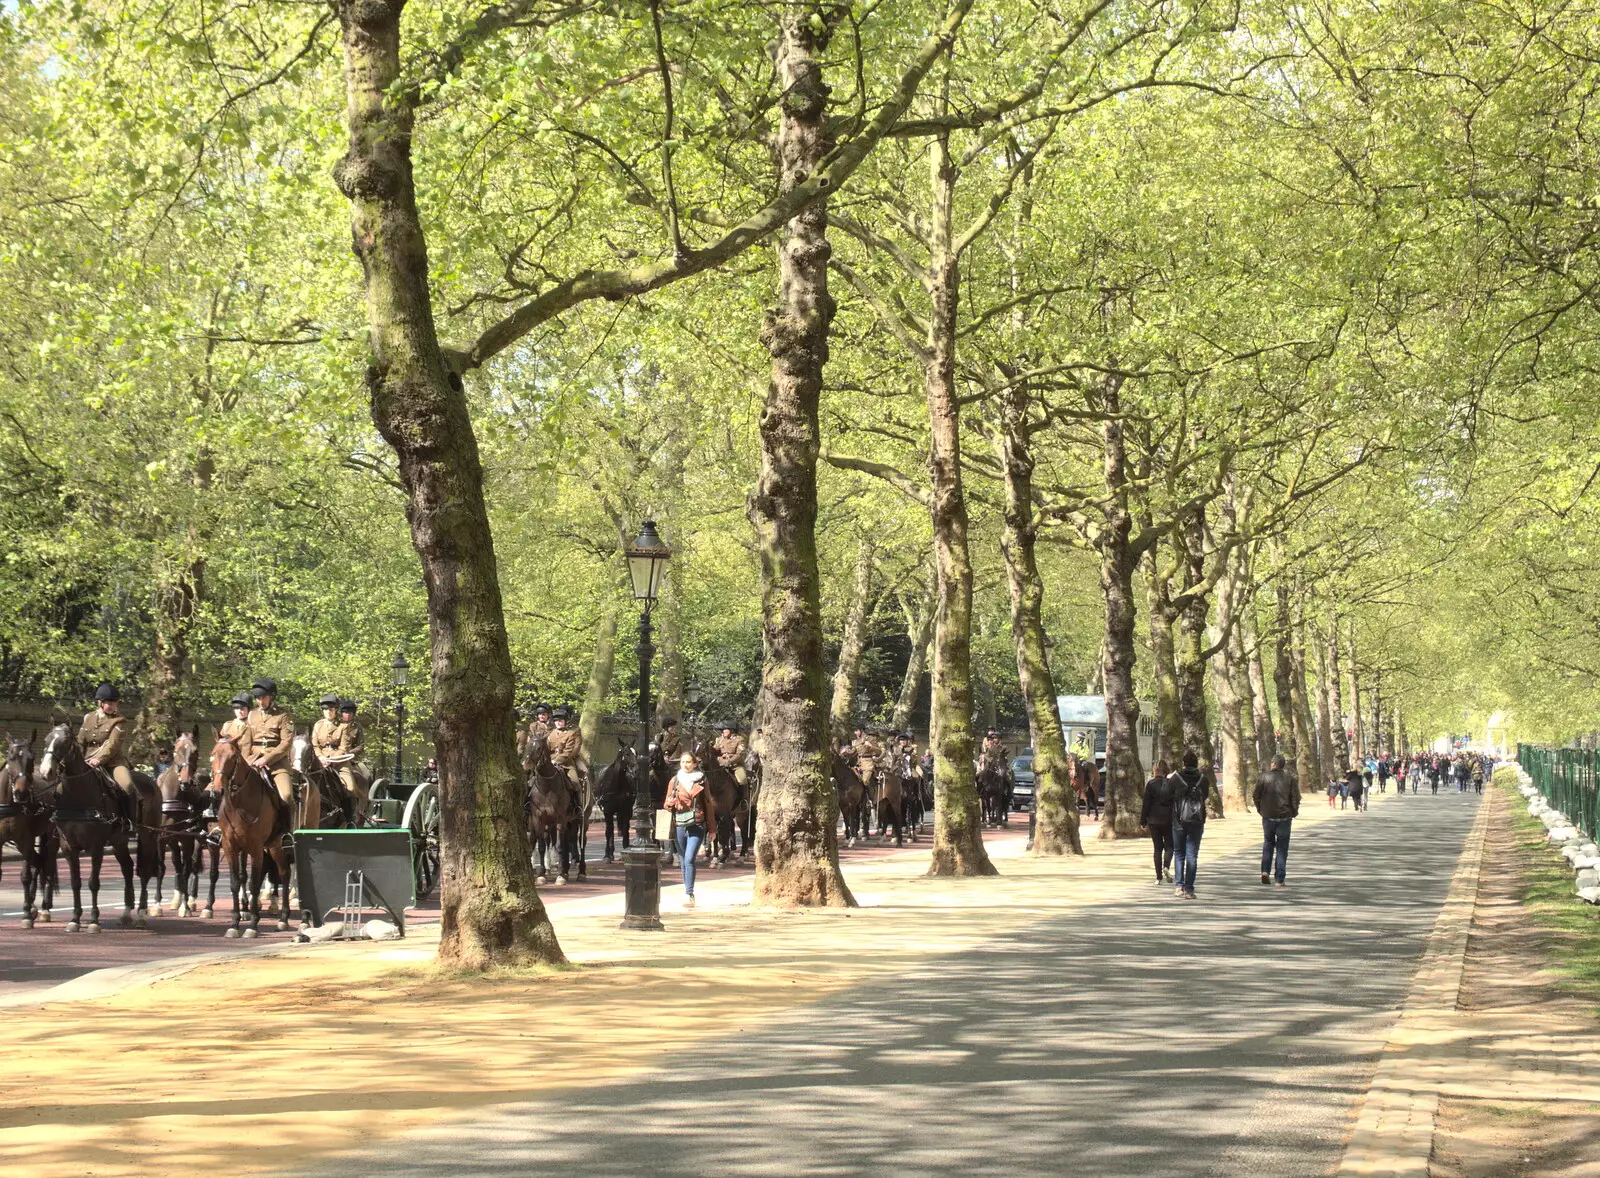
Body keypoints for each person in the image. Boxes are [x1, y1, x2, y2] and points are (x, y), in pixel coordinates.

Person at [245, 677, 302, 824]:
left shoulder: (284, 716)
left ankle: (287, 831)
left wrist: (267, 759)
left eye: (263, 698)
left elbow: (286, 743)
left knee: (287, 795)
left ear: (271, 697)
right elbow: (247, 741)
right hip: (253, 760)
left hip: (277, 763)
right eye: (257, 698)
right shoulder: (252, 714)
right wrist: (246, 759)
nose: (260, 701)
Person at [663, 750, 712, 909]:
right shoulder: (674, 780)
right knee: (683, 860)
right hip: (679, 824)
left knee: (690, 858)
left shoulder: (702, 780)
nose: (685, 765)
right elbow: (666, 804)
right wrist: (670, 803)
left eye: (688, 762)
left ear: (695, 764)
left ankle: (689, 893)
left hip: (697, 823)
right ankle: (687, 891)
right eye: (683, 762)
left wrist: (712, 829)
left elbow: (708, 804)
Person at [77, 683, 135, 793]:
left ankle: (132, 810)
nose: (113, 707)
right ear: (100, 703)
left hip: (113, 762)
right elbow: (80, 741)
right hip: (87, 760)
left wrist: (98, 759)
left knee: (127, 785)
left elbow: (113, 744)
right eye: (110, 704)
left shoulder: (119, 720)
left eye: (115, 704)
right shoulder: (88, 717)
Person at [1169, 752, 1210, 900]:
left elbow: (1169, 795)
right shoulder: (1203, 779)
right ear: (1196, 763)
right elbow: (1205, 796)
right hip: (1197, 820)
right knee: (1192, 855)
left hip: (1178, 820)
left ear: (1184, 763)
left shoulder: (1176, 778)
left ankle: (1179, 886)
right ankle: (1189, 888)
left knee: (1179, 853)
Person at [1254, 754, 1299, 886]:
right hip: (1285, 817)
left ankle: (1265, 871)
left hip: (1268, 816)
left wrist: (1260, 809)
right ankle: (1279, 879)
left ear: (1273, 764)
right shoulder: (1290, 779)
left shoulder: (1263, 777)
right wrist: (1294, 812)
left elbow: (1256, 795)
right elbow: (1295, 797)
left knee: (1268, 843)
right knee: (1282, 848)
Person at [1140, 759, 1175, 884]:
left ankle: (1158, 877)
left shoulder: (1151, 784)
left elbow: (1146, 804)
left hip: (1154, 820)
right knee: (1170, 845)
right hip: (1168, 819)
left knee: (1157, 848)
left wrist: (1143, 821)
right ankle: (1166, 866)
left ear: (1155, 771)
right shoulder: (1171, 784)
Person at [545, 707, 584, 795]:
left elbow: (568, 752)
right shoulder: (550, 733)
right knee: (533, 780)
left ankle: (578, 805)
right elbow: (546, 749)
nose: (558, 723)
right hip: (549, 762)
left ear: (565, 722)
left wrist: (556, 761)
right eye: (556, 721)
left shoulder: (570, 734)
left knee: (575, 782)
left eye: (561, 721)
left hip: (566, 763)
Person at [714, 723, 748, 787]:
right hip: (721, 764)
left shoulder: (740, 739)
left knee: (742, 779)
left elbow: (739, 755)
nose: (723, 731)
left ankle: (744, 796)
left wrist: (729, 762)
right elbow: (715, 751)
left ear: (731, 730)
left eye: (724, 729)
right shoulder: (720, 740)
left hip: (735, 765)